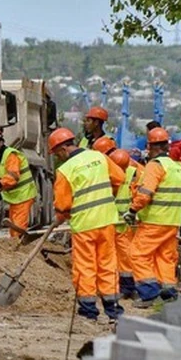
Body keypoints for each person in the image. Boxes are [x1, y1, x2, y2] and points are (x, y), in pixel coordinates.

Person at [50, 127, 125, 323]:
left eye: (57, 153)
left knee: (85, 266)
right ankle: (113, 310)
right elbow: (120, 178)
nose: (58, 157)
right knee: (108, 264)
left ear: (63, 149)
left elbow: (63, 204)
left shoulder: (65, 170)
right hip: (107, 221)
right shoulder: (99, 157)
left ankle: (89, 310)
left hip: (84, 225)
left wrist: (61, 215)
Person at [123, 127, 181, 305]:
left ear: (151, 147)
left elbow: (145, 194)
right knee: (165, 257)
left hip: (155, 221)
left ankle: (149, 293)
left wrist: (132, 210)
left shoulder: (155, 166)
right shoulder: (176, 166)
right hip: (172, 222)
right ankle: (168, 292)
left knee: (137, 254)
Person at [0, 128, 38, 238]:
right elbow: (4, 179)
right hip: (17, 197)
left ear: (1, 142)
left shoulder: (10, 155)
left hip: (24, 195)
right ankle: (16, 247)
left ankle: (20, 249)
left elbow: (13, 176)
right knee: (14, 228)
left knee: (18, 227)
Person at [110, 148, 143, 300]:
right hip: (116, 223)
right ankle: (122, 286)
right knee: (120, 257)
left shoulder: (132, 175)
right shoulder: (131, 172)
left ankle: (129, 287)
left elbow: (139, 197)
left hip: (124, 224)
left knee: (126, 257)